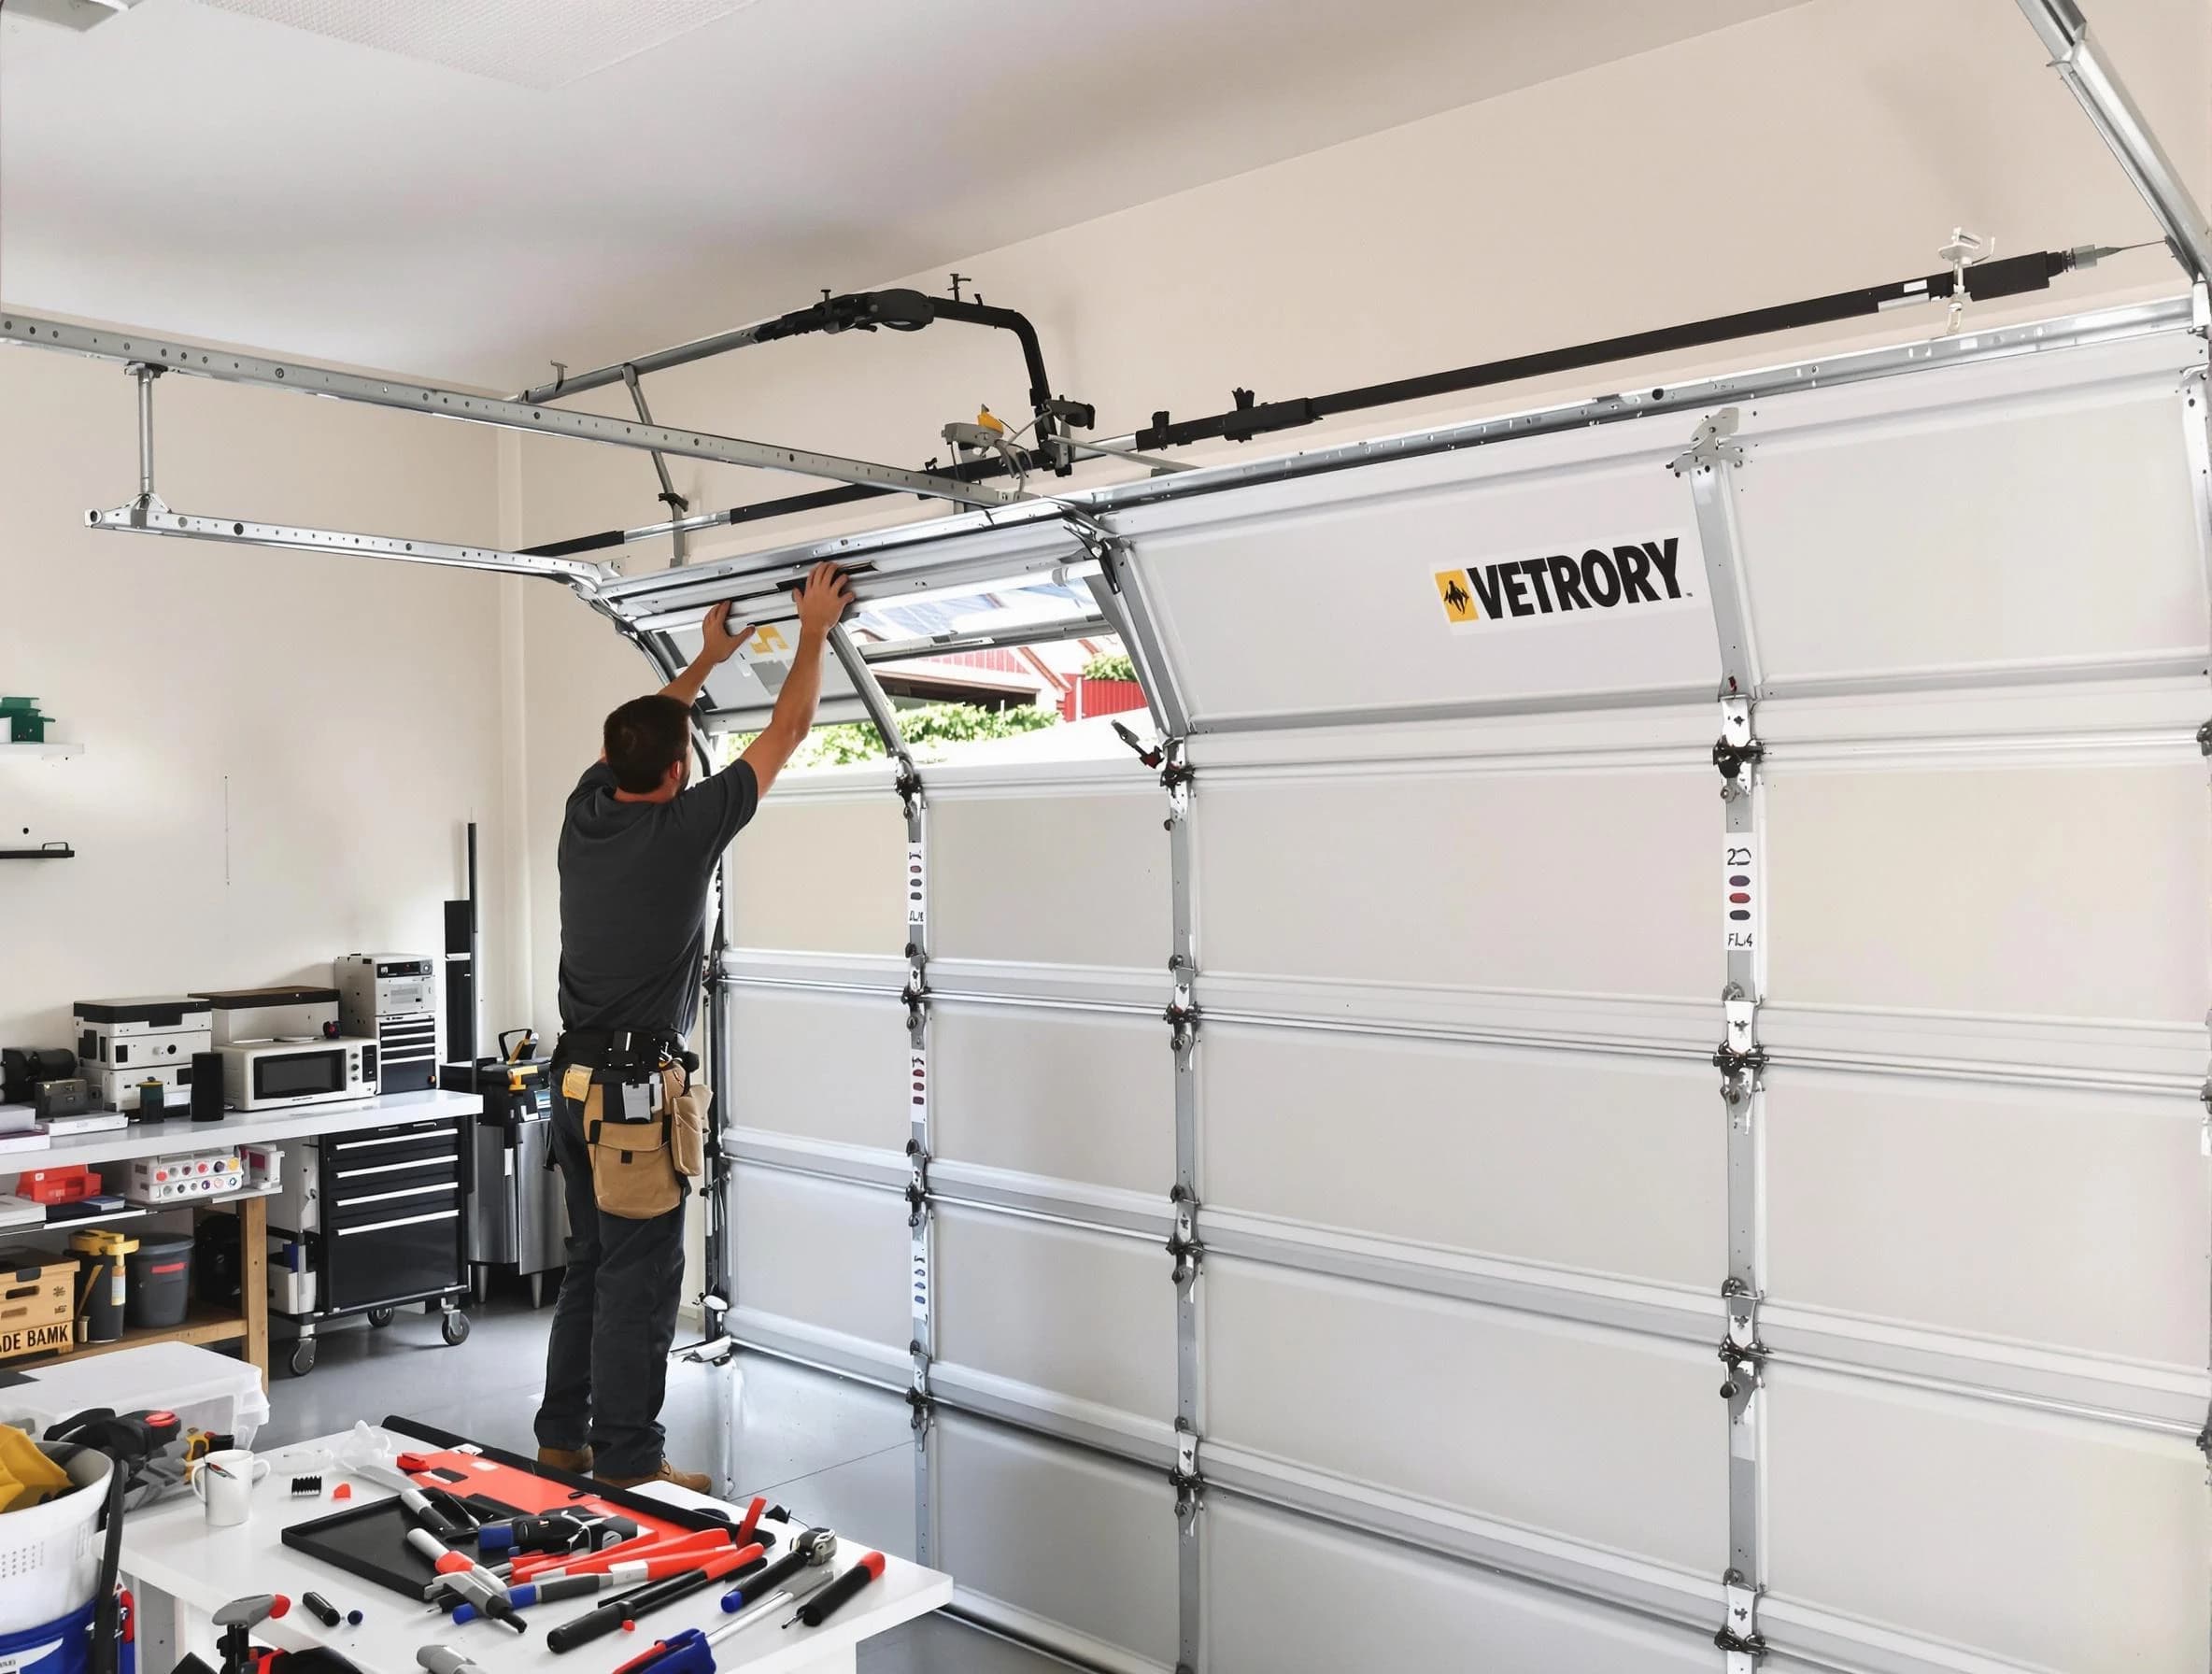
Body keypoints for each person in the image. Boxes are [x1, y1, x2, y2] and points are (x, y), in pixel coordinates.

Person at [535, 560, 855, 1490]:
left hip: (573, 1087)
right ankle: (630, 1463)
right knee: (637, 1286)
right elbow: (789, 729)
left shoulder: (585, 813)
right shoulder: (684, 830)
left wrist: (705, 660)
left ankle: (564, 1438)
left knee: (591, 1269)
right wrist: (813, 626)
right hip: (633, 1099)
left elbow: (640, 735)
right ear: (679, 774)